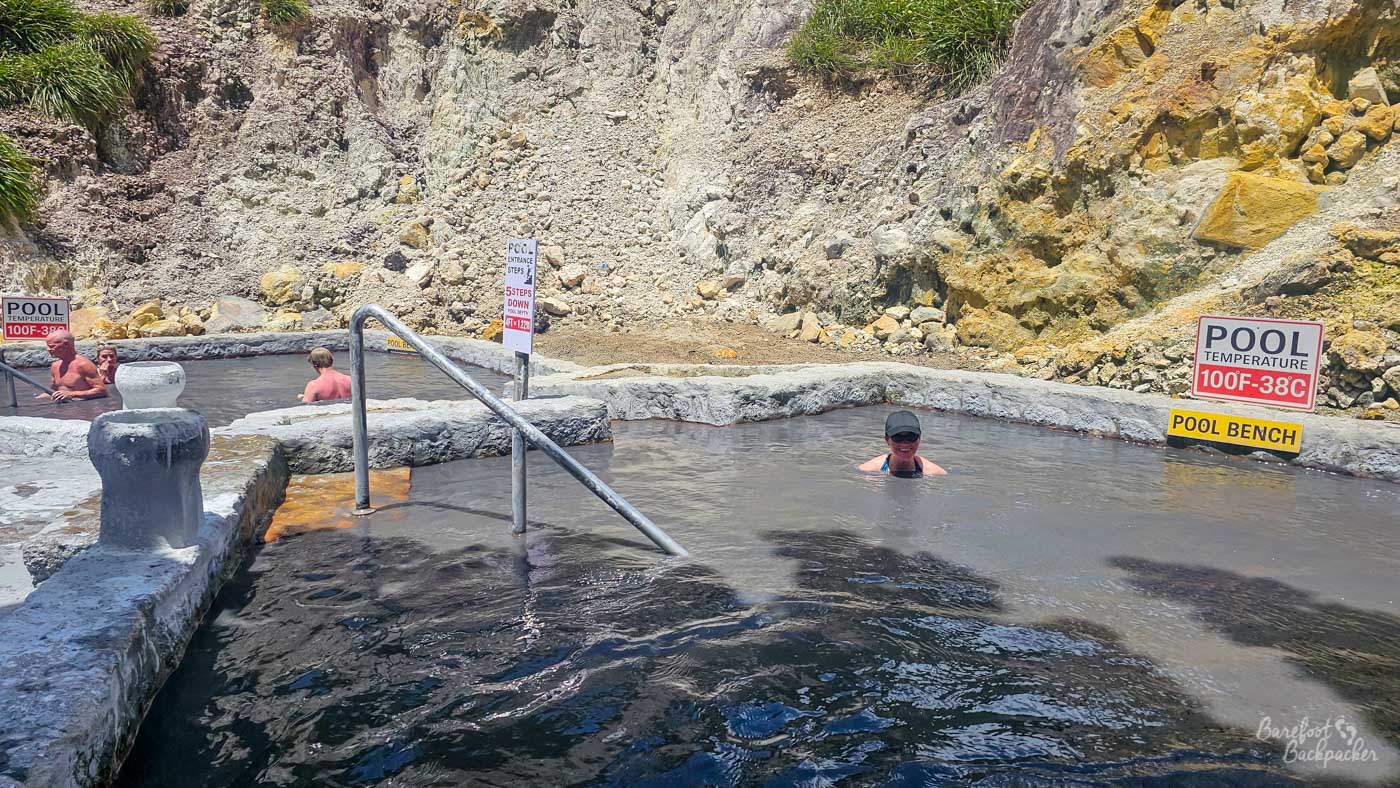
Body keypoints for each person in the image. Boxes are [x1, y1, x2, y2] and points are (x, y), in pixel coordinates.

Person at [859, 410, 947, 478]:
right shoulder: (868, 471)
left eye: (911, 437)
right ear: (887, 440)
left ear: (919, 438)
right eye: (898, 437)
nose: (905, 444)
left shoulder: (934, 473)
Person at [36, 329, 107, 403]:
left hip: (81, 409)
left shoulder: (84, 365)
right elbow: (53, 391)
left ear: (66, 344)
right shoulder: (55, 366)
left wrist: (72, 394)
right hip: (62, 409)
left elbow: (102, 391)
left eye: (52, 346)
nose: (48, 349)